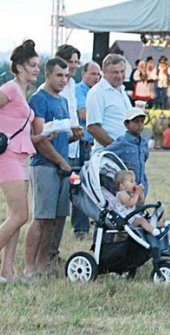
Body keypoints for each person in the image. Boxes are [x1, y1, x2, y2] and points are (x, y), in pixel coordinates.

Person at [0, 40, 42, 283]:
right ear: (20, 67)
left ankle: (7, 270)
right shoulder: (11, 89)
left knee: (15, 216)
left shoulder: (23, 92)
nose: (36, 69)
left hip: (21, 157)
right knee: (20, 215)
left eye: (38, 65)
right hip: (7, 159)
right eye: (33, 65)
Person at [24, 57, 82, 277]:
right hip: (45, 165)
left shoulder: (64, 102)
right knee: (41, 218)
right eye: (59, 75)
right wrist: (60, 161)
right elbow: (40, 139)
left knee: (56, 219)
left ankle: (43, 263)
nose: (63, 80)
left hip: (61, 165)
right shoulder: (39, 99)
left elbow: (58, 137)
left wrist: (74, 138)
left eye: (66, 76)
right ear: (47, 75)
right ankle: (30, 267)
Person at [72, 61, 102, 239]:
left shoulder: (97, 92)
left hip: (94, 145)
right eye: (92, 74)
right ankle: (80, 228)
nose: (96, 78)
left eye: (98, 75)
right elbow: (84, 114)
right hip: (83, 146)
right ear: (83, 74)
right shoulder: (79, 90)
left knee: (96, 186)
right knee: (81, 186)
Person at [86, 54, 132, 152]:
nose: (119, 76)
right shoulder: (97, 92)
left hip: (125, 153)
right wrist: (116, 149)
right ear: (104, 73)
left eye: (122, 71)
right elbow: (93, 127)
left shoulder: (122, 90)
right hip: (108, 155)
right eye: (115, 72)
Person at [114, 170, 170, 237]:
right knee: (142, 221)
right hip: (126, 220)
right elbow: (131, 203)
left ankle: (167, 224)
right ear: (122, 186)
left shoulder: (130, 194)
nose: (134, 183)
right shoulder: (121, 194)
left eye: (134, 181)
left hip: (133, 217)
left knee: (149, 221)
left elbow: (141, 202)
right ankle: (156, 233)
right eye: (131, 181)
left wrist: (140, 193)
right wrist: (137, 193)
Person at [105, 107, 150, 194]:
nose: (140, 124)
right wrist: (121, 166)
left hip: (141, 185)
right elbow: (105, 155)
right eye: (136, 121)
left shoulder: (144, 142)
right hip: (127, 188)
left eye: (142, 121)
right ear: (126, 124)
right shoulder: (122, 142)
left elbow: (145, 158)